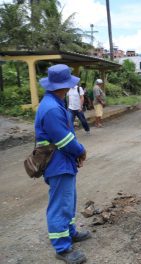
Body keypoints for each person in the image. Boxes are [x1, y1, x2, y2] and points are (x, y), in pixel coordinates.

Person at [35, 64, 90, 264]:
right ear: (64, 86)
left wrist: (76, 154)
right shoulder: (51, 108)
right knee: (60, 204)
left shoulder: (55, 102)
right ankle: (62, 247)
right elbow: (64, 140)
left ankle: (70, 232)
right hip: (57, 163)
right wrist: (81, 151)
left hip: (63, 161)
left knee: (69, 200)